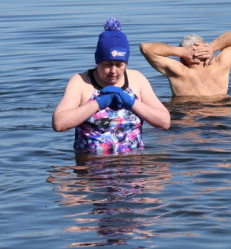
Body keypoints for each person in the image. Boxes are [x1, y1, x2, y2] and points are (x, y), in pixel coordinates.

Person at [53, 18, 171, 154]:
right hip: (91, 166)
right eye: (108, 64)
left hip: (133, 165)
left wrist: (131, 102)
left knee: (164, 174)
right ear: (98, 61)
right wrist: (97, 103)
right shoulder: (80, 82)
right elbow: (59, 123)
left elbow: (164, 122)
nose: (113, 71)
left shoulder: (137, 79)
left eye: (119, 65)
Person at [138, 28, 231, 98]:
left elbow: (145, 48)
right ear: (207, 57)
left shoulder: (178, 72)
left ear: (182, 59)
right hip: (220, 115)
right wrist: (212, 47)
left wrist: (181, 51)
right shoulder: (220, 66)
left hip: (189, 121)